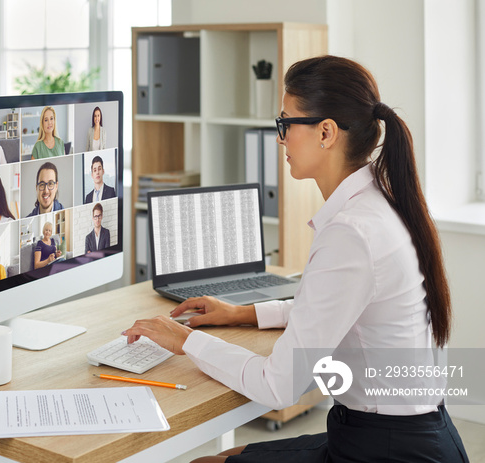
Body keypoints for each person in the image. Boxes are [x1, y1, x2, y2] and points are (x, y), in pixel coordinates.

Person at [122, 56, 469, 462]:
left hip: (389, 450)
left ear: (326, 132)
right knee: (226, 455)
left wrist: (186, 340)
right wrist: (245, 314)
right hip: (408, 434)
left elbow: (279, 386)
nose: (279, 138)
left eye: (285, 124)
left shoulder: (351, 232)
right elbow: (341, 308)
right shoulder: (378, 202)